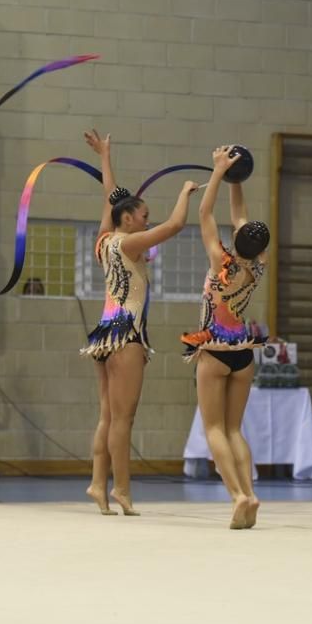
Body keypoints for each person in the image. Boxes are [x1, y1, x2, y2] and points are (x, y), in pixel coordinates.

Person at [81, 129, 199, 516]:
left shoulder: (104, 241)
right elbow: (176, 227)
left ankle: (99, 484)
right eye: (144, 216)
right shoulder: (131, 243)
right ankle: (123, 490)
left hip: (104, 333)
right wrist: (184, 193)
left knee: (107, 415)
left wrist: (106, 156)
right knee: (124, 419)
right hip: (127, 333)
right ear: (129, 219)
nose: (149, 221)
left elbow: (110, 197)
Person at [181, 146, 269, 529]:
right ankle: (250, 493)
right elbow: (240, 219)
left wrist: (218, 171)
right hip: (244, 353)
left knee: (213, 428)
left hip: (214, 349)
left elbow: (205, 213)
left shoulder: (222, 261)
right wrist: (237, 181)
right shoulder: (257, 265)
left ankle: (238, 496)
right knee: (235, 429)